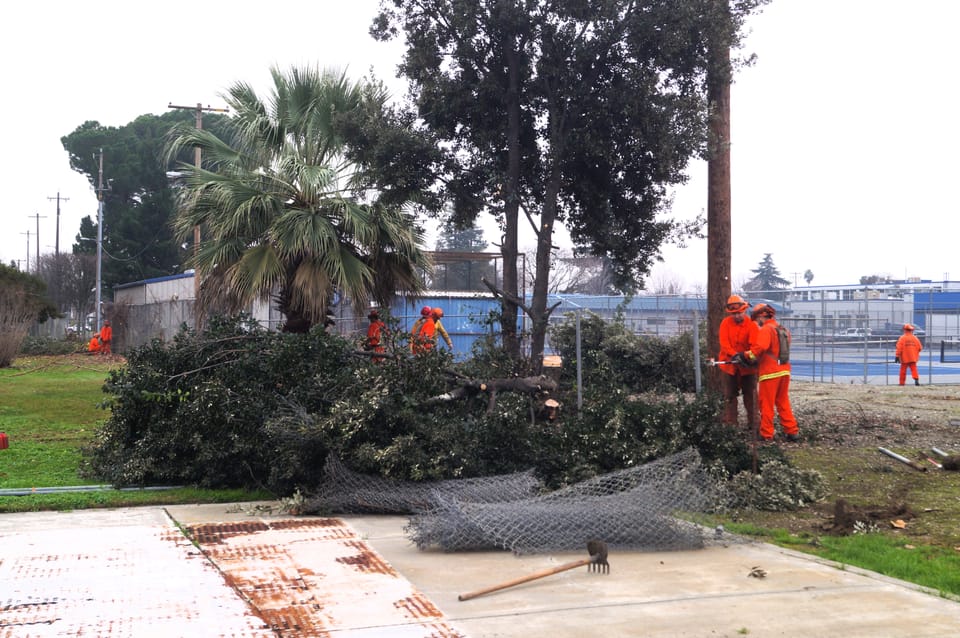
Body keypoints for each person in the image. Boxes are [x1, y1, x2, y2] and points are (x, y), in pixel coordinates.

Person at [739, 303, 799, 443]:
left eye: (756, 319)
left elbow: (759, 349)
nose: (756, 323)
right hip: (784, 371)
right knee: (783, 402)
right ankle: (792, 431)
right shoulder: (782, 329)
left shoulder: (766, 330)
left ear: (761, 316)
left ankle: (766, 434)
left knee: (766, 404)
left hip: (770, 373)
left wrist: (745, 355)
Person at [717, 295, 759, 432]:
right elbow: (724, 344)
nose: (736, 316)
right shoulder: (725, 323)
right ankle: (731, 425)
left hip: (748, 368)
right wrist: (734, 355)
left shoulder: (752, 324)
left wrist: (745, 357)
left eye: (739, 313)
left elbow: (755, 346)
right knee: (729, 396)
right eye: (734, 313)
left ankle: (754, 424)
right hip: (730, 366)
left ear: (745, 310)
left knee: (751, 396)